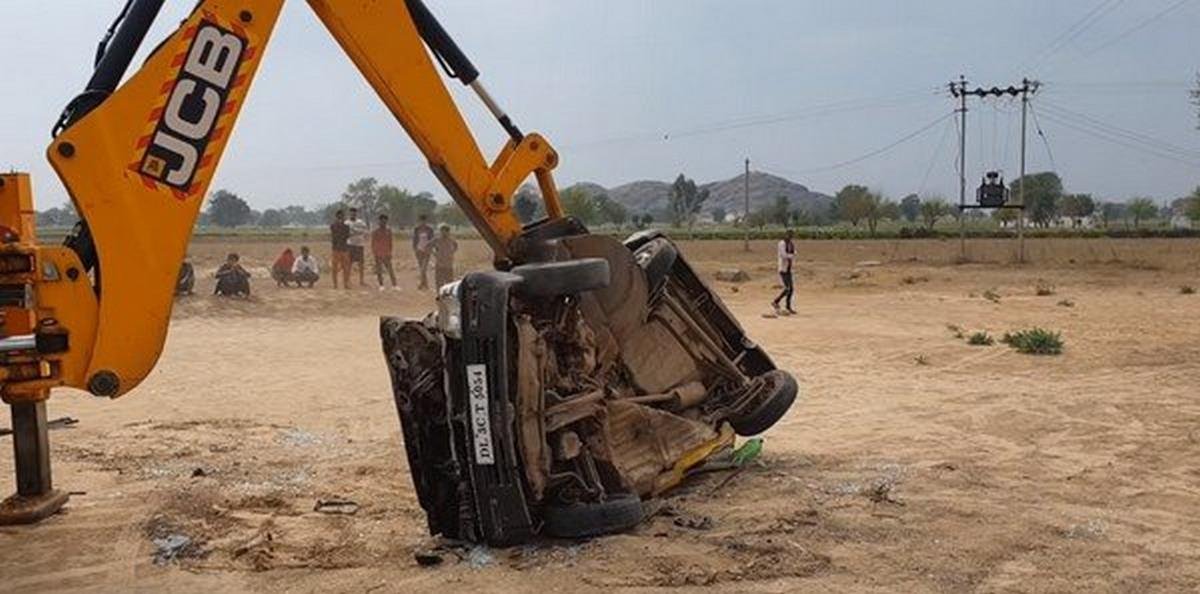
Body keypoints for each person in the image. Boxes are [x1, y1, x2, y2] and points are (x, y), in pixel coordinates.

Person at [771, 229, 796, 315]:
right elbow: (783, 255)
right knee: (787, 288)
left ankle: (788, 307)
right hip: (783, 268)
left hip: (789, 268)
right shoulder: (782, 243)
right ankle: (775, 301)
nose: (790, 237)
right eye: (788, 235)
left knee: (791, 289)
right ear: (785, 235)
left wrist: (791, 256)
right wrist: (791, 256)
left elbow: (794, 253)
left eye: (791, 236)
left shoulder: (791, 244)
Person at [371, 213, 398, 290]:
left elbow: (390, 242)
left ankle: (394, 285)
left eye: (385, 221)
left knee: (390, 269)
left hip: (386, 253)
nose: (383, 223)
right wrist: (375, 252)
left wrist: (390, 252)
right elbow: (373, 243)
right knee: (379, 270)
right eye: (382, 221)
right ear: (379, 221)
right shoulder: (375, 232)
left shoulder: (388, 231)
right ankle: (381, 285)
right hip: (378, 254)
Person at [346, 207, 369, 288]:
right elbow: (348, 233)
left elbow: (364, 231)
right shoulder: (346, 223)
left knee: (361, 264)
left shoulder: (361, 222)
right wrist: (357, 232)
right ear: (349, 213)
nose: (353, 214)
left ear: (356, 213)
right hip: (350, 245)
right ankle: (348, 280)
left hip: (360, 245)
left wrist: (354, 231)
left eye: (354, 213)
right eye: (351, 213)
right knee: (349, 263)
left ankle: (362, 281)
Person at [412, 214, 435, 290]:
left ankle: (422, 284)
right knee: (421, 267)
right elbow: (414, 240)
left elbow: (432, 240)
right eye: (421, 221)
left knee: (424, 268)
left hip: (427, 251)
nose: (423, 222)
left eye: (424, 221)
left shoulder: (430, 229)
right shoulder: (416, 229)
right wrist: (415, 249)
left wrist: (430, 249)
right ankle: (424, 284)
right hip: (419, 250)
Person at [329, 209, 351, 289]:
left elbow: (346, 236)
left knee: (346, 268)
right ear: (336, 216)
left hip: (344, 248)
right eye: (339, 216)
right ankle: (335, 284)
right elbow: (335, 236)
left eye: (342, 216)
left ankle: (346, 284)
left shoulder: (346, 227)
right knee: (335, 268)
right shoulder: (333, 226)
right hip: (336, 249)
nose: (341, 217)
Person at [432, 224, 458, 289]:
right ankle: (439, 294)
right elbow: (428, 246)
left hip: (448, 264)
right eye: (441, 231)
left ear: (448, 232)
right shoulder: (437, 240)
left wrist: (451, 253)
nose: (443, 233)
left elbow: (456, 246)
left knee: (449, 281)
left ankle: (448, 295)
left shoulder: (451, 240)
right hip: (439, 263)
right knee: (439, 281)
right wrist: (434, 253)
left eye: (445, 231)